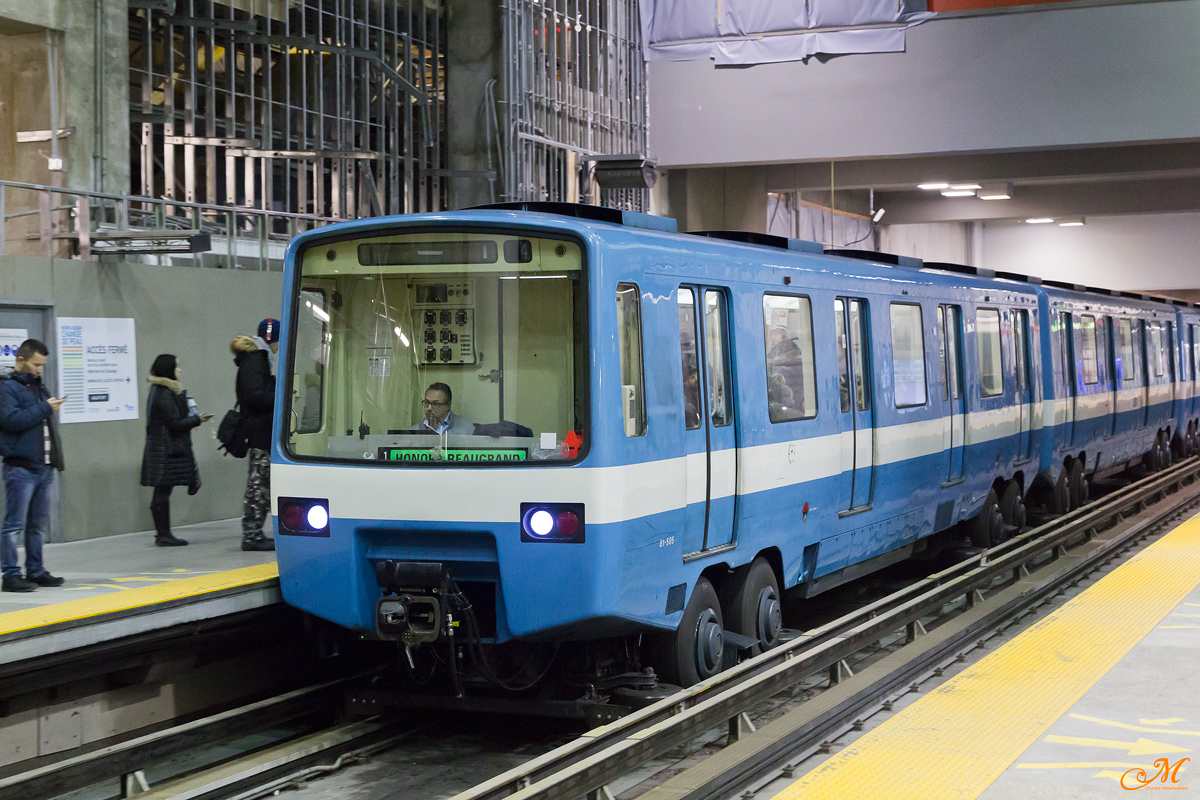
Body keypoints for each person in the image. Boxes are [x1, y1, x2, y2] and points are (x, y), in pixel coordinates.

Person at [0, 339, 66, 592]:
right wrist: (44, 408)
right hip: (21, 468)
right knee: (13, 525)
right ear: (21, 360)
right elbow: (11, 420)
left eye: (42, 365)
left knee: (37, 525)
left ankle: (36, 570)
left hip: (44, 467)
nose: (40, 369)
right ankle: (10, 575)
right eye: (36, 364)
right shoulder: (7, 388)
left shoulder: (39, 387)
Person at [140, 354, 211, 547]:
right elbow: (175, 424)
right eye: (177, 366)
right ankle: (163, 535)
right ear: (168, 369)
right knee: (162, 493)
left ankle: (163, 534)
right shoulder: (164, 393)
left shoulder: (158, 391)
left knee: (162, 492)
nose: (180, 370)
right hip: (165, 451)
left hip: (160, 449)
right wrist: (197, 419)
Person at [231, 318, 279, 551]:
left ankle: (254, 532)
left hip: (262, 429)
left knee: (262, 483)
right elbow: (254, 396)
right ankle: (251, 535)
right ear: (272, 339)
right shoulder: (256, 360)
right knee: (258, 484)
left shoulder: (258, 359)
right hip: (259, 430)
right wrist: (281, 397)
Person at [410, 383, 475, 435]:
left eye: (435, 404)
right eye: (427, 402)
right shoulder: (415, 431)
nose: (429, 408)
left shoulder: (466, 429)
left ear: (448, 406)